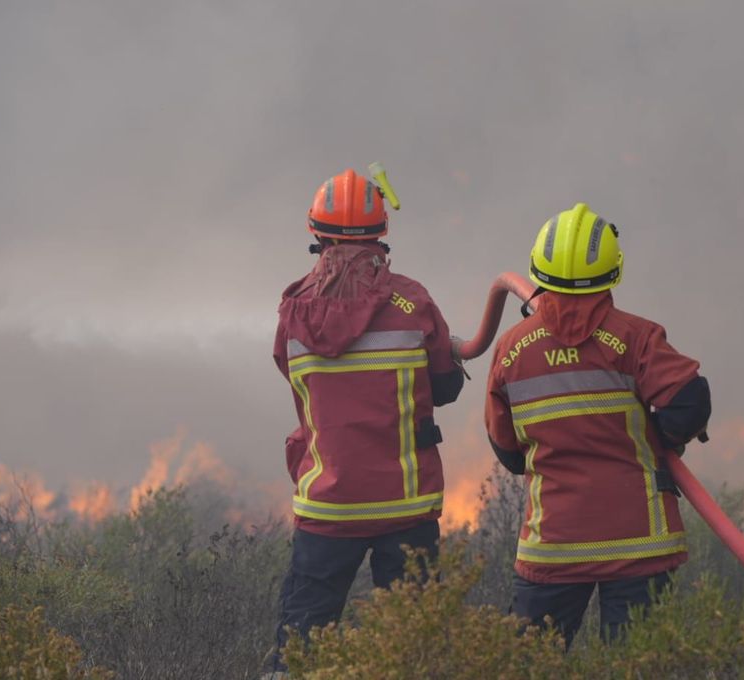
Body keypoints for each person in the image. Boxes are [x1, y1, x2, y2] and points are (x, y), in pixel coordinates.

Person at [485, 202, 711, 647]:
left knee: (528, 666)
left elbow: (506, 448)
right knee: (637, 666)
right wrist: (659, 440)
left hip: (552, 545)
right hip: (638, 546)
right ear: (613, 270)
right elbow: (690, 402)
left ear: (539, 269)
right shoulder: (636, 338)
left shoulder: (511, 349)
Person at [267, 168, 464, 671]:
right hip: (405, 504)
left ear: (316, 233)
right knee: (413, 648)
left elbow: (295, 381)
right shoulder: (414, 302)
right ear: (381, 235)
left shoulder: (292, 312)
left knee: (301, 646)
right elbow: (444, 387)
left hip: (328, 507)